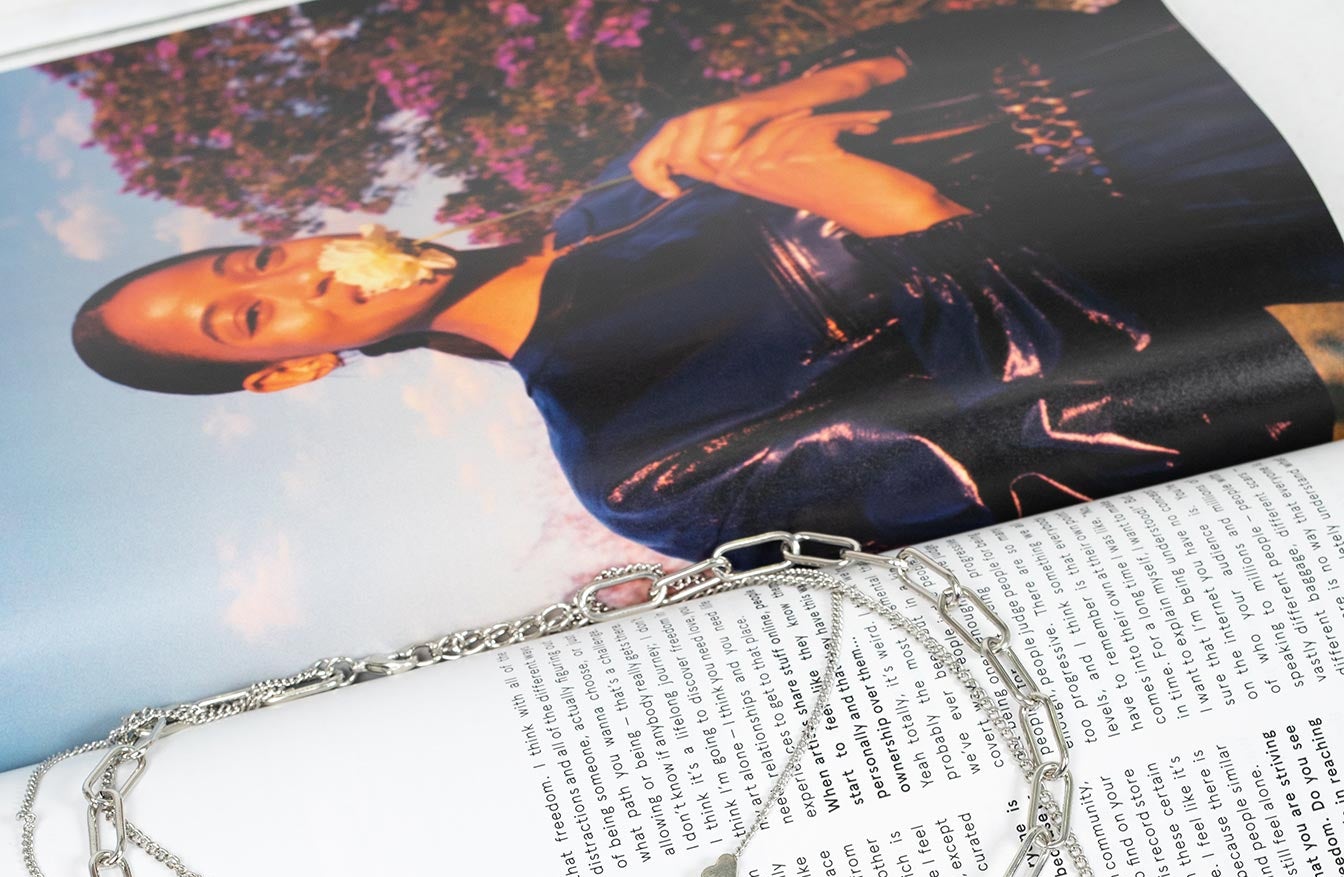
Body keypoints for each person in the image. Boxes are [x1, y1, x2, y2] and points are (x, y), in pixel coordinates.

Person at [72, 0, 1344, 558]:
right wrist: (898, 215)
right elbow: (1109, 433)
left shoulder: (634, 186)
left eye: (261, 256)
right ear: (290, 367)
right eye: (254, 314)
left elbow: (1030, 39)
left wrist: (846, 77)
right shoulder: (646, 463)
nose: (306, 275)